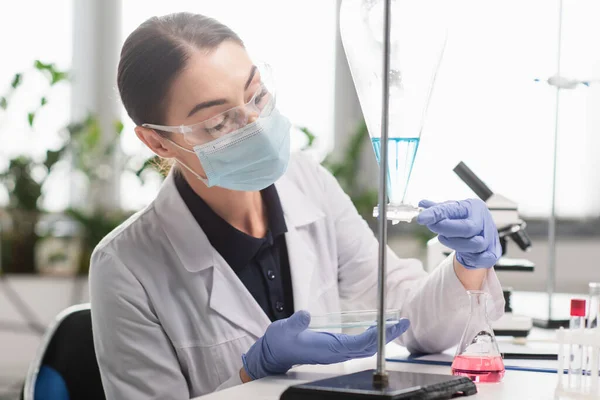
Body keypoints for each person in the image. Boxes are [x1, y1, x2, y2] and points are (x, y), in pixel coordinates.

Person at [89, 12, 505, 400]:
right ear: (157, 142)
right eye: (218, 122)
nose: (254, 126)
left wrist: (467, 265)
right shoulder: (125, 267)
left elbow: (407, 318)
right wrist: (253, 374)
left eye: (256, 96)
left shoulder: (307, 181)